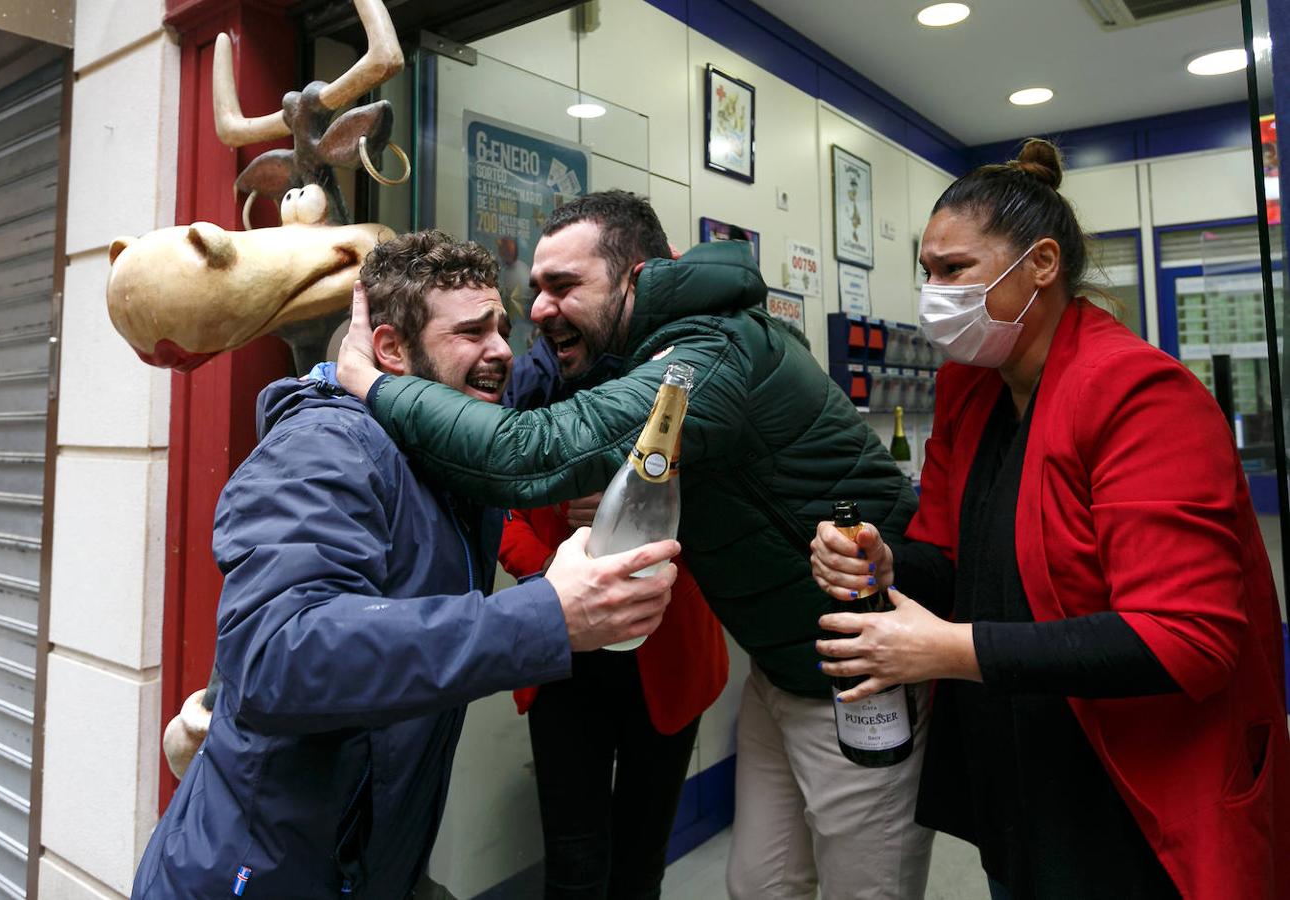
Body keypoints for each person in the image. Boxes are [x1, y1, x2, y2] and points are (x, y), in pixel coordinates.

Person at [338, 192, 934, 899]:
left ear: (635, 277)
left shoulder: (707, 354)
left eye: (563, 287)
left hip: (857, 677)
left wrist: (371, 385)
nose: (538, 311)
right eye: (536, 290)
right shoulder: (639, 351)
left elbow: (528, 452)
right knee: (761, 886)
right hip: (781, 674)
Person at [132, 230, 680, 899]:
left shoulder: (444, 448)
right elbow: (276, 655)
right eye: (473, 332)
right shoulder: (324, 447)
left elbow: (543, 388)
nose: (501, 352)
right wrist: (545, 617)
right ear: (390, 349)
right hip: (255, 877)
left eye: (501, 329)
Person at [810, 139, 1290, 899]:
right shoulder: (973, 394)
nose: (933, 293)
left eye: (955, 270)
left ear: (1040, 265)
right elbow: (949, 556)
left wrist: (949, 650)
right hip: (1018, 779)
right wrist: (886, 562)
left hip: (1130, 793)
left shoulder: (1136, 393)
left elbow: (1187, 639)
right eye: (926, 272)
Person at [498, 329, 729, 899]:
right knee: (573, 862)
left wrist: (644, 512)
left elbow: (729, 513)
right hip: (563, 657)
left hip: (666, 652)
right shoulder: (529, 390)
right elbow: (500, 508)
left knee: (641, 857)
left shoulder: (684, 379)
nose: (553, 307)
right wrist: (564, 571)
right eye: (545, 289)